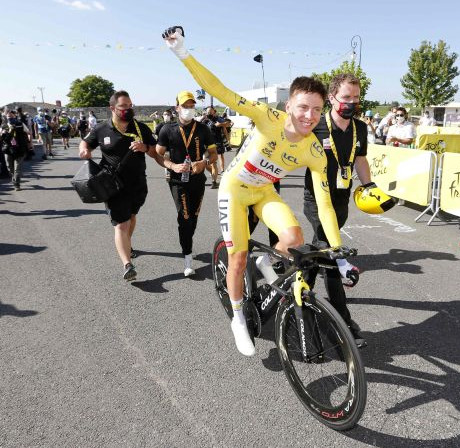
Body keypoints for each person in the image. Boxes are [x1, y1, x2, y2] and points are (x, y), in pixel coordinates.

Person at [163, 26, 353, 356]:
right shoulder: (267, 117)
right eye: (303, 107)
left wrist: (338, 251)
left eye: (317, 110)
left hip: (264, 192)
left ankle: (267, 257)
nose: (309, 116)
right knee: (237, 259)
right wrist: (183, 53)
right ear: (289, 104)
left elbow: (325, 204)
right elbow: (219, 90)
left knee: (293, 238)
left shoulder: (314, 150)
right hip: (234, 191)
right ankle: (238, 317)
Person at [303, 73, 370, 347]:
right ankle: (342, 323)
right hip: (316, 199)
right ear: (331, 98)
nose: (351, 103)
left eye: (356, 97)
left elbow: (361, 159)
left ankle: (298, 290)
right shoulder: (316, 125)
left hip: (342, 200)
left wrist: (370, 185)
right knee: (332, 255)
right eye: (346, 97)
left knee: (319, 249)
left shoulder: (360, 128)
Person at [79, 91, 159, 281]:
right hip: (113, 186)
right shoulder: (101, 129)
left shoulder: (140, 128)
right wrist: (84, 150)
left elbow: (155, 150)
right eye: (124, 106)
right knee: (121, 224)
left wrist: (145, 148)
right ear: (113, 108)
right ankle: (127, 264)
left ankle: (127, 246)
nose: (128, 109)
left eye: (130, 105)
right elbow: (85, 142)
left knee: (131, 218)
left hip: (138, 183)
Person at [153, 91, 218, 276]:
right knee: (185, 217)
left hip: (198, 180)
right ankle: (187, 256)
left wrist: (204, 163)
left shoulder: (203, 129)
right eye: (185, 106)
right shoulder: (167, 129)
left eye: (191, 106)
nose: (189, 109)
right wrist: (172, 165)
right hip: (177, 181)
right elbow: (158, 154)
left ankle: (187, 242)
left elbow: (213, 154)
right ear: (177, 108)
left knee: (194, 217)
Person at [1, 109, 31, 190]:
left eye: (11, 115)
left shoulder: (20, 124)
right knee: (9, 167)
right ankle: (14, 178)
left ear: (15, 115)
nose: (9, 116)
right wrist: (4, 132)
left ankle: (16, 184)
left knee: (17, 168)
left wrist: (30, 143)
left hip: (20, 148)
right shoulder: (4, 126)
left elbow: (28, 133)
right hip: (8, 149)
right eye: (8, 115)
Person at [201, 106, 229, 188]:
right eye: (208, 112)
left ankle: (214, 181)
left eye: (210, 111)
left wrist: (220, 124)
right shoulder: (205, 120)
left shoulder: (218, 119)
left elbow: (228, 123)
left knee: (213, 163)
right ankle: (214, 174)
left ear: (214, 112)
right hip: (206, 145)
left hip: (216, 143)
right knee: (205, 162)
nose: (209, 113)